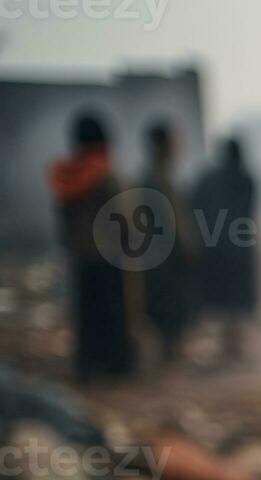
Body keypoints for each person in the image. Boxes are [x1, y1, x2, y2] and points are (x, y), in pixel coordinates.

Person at [48, 111, 135, 379]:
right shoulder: (106, 174)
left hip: (82, 258)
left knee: (87, 316)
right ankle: (115, 367)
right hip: (109, 259)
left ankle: (88, 365)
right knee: (113, 316)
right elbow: (123, 217)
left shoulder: (66, 175)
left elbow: (63, 219)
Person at [192, 137, 258, 361]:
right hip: (238, 248)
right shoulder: (246, 179)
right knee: (235, 301)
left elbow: (195, 206)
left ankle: (226, 346)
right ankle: (233, 347)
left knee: (221, 300)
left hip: (215, 248)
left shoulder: (207, 179)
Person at [137, 119, 194, 363]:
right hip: (163, 259)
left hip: (162, 257)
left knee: (169, 309)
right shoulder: (155, 180)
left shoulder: (159, 177)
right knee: (168, 309)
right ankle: (167, 357)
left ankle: (168, 354)